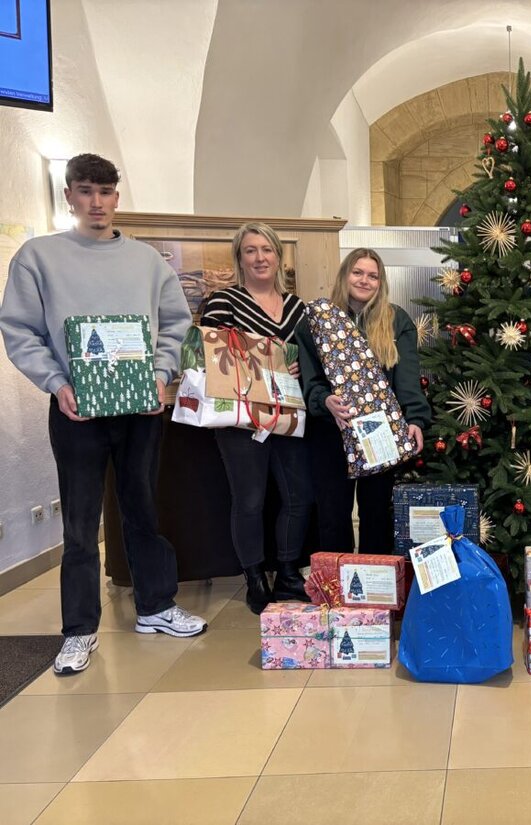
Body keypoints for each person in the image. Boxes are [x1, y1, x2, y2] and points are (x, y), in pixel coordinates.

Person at [0, 153, 207, 675]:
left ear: (118, 198)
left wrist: (161, 376)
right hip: (76, 411)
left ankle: (156, 607)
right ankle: (79, 630)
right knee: (80, 520)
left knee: (142, 507)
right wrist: (56, 382)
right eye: (86, 190)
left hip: (139, 407)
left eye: (106, 192)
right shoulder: (38, 257)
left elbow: (175, 324)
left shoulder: (146, 262)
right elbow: (19, 330)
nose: (97, 202)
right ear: (68, 195)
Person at [201, 222, 312, 614]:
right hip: (241, 420)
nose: (260, 257)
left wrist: (302, 368)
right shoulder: (223, 302)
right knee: (249, 499)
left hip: (290, 415)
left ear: (279, 256)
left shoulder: (299, 308)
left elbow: (312, 360)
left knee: (298, 497)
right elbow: (206, 358)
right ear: (240, 258)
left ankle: (286, 572)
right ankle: (253, 577)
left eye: (267, 249)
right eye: (250, 250)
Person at [297, 248, 430, 554]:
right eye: (358, 272)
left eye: (373, 275)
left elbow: (408, 378)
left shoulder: (396, 320)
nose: (364, 280)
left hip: (380, 434)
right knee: (332, 514)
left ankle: (376, 590)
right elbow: (309, 377)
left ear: (380, 282)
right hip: (331, 432)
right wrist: (324, 400)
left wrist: (416, 419)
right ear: (345, 275)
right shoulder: (317, 321)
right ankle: (338, 590)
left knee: (376, 513)